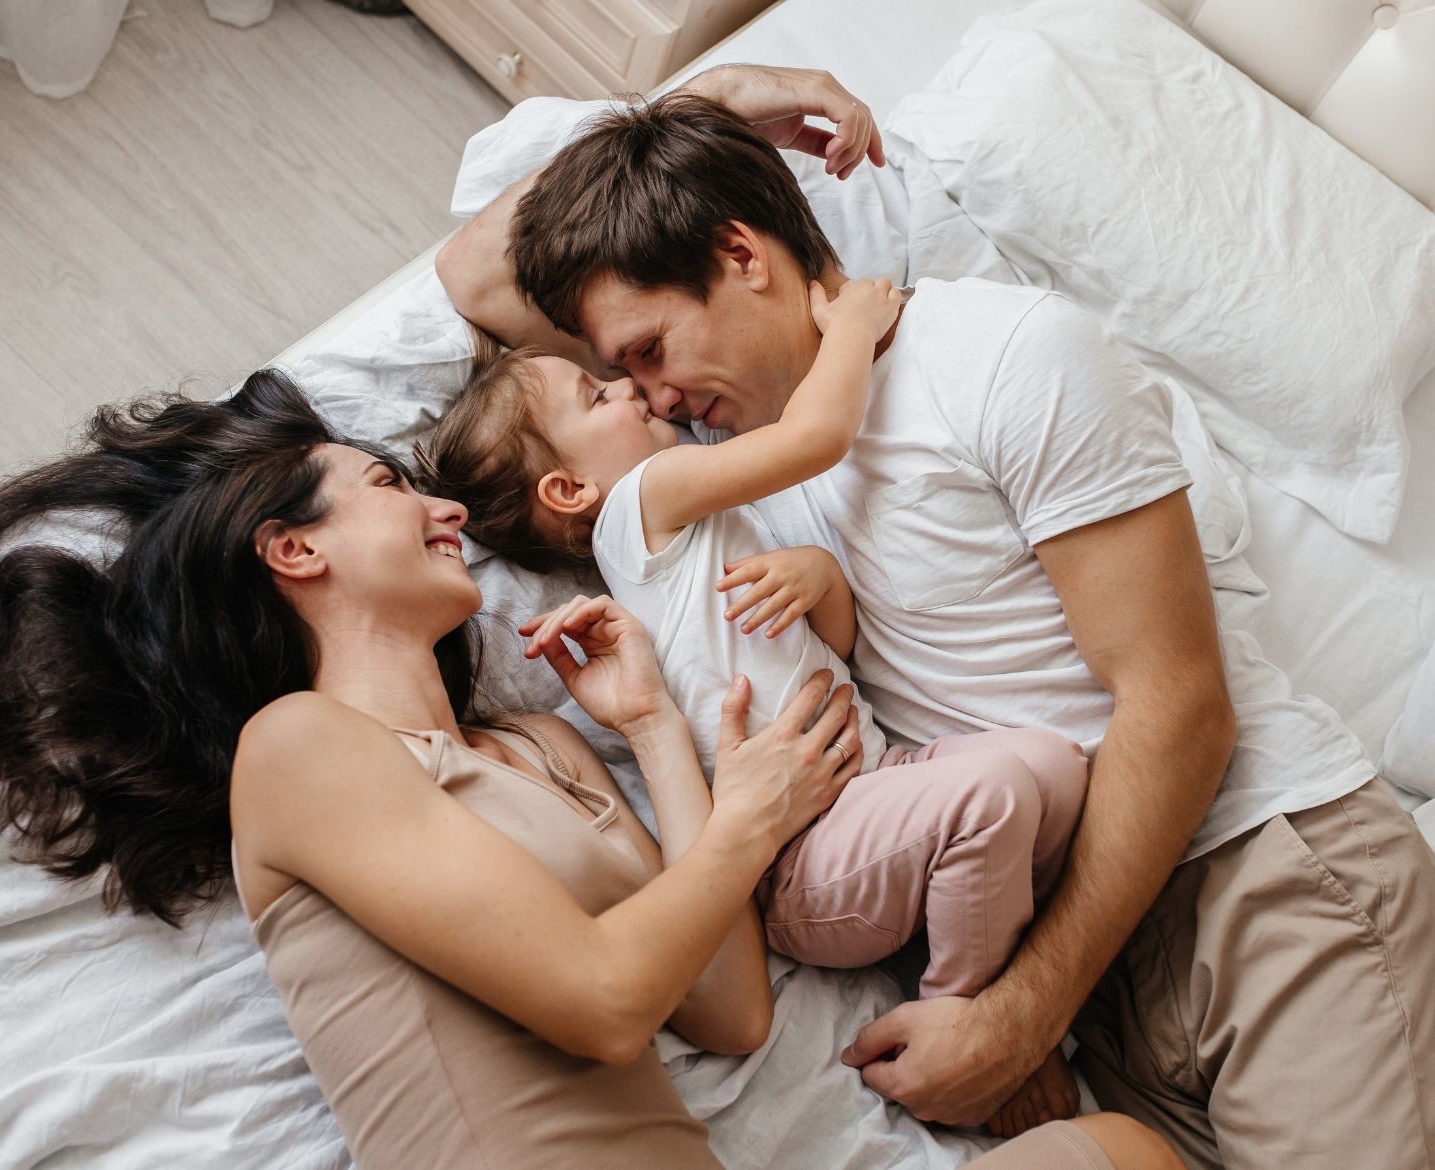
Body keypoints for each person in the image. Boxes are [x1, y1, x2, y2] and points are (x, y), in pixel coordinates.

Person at [437, 88, 1435, 1170]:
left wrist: (1017, 1014)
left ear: (741, 252)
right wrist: (704, 114)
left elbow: (1182, 708)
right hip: (1073, 949)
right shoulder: (713, 498)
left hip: (1246, 874)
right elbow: (475, 282)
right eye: (618, 377)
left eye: (646, 353)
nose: (651, 397)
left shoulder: (1002, 355)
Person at [0, 371, 1183, 1170]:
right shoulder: (297, 750)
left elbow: (727, 1010)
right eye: (391, 488)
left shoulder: (542, 745)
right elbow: (609, 1004)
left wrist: (658, 726)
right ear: (294, 549)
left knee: (1122, 1152)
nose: (447, 507)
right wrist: (748, 824)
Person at [419, 274, 1090, 1133]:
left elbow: (837, 646)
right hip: (806, 862)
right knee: (995, 793)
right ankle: (960, 1014)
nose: (629, 386)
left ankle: (967, 915)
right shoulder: (643, 503)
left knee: (1057, 768)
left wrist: (819, 575)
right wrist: (853, 330)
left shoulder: (700, 532)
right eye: (598, 394)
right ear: (569, 491)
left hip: (878, 782)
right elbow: (818, 436)